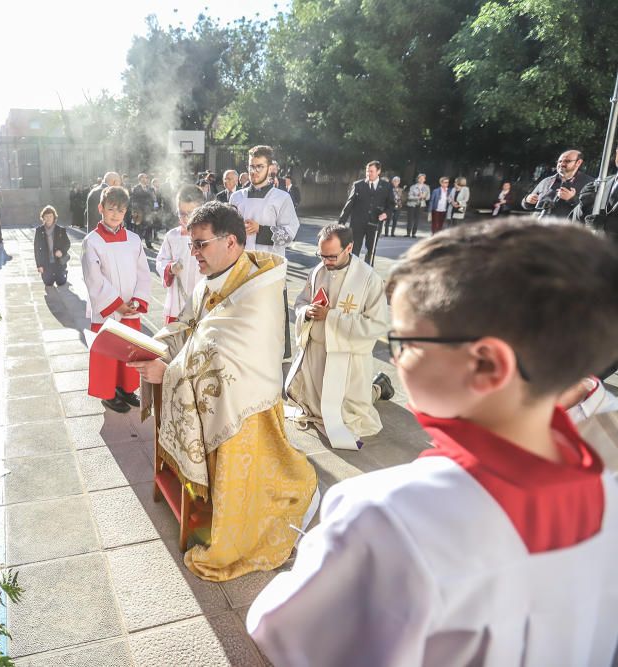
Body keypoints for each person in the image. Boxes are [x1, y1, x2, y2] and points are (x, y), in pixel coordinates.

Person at [248, 220, 618, 666]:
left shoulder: (386, 515)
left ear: (486, 364)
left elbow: (281, 632)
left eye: (406, 342)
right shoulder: (609, 492)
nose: (398, 359)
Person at [130, 201, 318, 581]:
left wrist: (166, 372)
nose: (193, 253)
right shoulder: (213, 277)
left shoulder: (257, 290)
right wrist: (156, 346)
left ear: (230, 241)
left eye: (200, 244)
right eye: (192, 244)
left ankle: (232, 516)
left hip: (244, 406)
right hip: (221, 390)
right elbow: (190, 325)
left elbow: (217, 353)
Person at [284, 224, 392, 450]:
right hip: (317, 353)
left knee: (349, 411)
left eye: (331, 256)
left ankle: (378, 387)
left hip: (347, 356)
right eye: (321, 255)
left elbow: (378, 324)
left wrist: (331, 317)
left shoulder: (368, 279)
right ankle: (375, 387)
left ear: (349, 248)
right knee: (318, 407)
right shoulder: (317, 271)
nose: (325, 261)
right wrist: (306, 311)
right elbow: (301, 302)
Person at [82, 185, 151, 414]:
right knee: (108, 354)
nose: (115, 214)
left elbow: (143, 272)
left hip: (130, 308)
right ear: (101, 208)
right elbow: (94, 278)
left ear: (126, 212)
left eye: (120, 211)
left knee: (128, 351)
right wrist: (117, 305)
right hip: (108, 310)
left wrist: (137, 301)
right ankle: (108, 394)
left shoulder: (133, 240)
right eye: (111, 209)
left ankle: (126, 388)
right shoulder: (92, 241)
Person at [230, 145, 301, 356]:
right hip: (241, 270)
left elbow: (290, 232)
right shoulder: (237, 198)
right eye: (251, 166)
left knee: (270, 328)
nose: (254, 171)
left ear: (270, 168)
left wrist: (260, 230)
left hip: (269, 271)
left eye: (259, 167)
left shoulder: (281, 198)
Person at [155, 185, 206, 323]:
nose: (185, 218)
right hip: (177, 304)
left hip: (203, 303)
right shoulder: (172, 236)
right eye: (181, 213)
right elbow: (161, 260)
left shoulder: (210, 236)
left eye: (191, 213)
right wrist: (170, 268)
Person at [337, 160, 395, 259]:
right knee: (354, 249)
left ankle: (368, 272)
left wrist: (386, 214)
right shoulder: (358, 185)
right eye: (367, 171)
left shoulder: (387, 186)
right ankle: (353, 269)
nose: (368, 174)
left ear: (379, 171)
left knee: (371, 250)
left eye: (371, 171)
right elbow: (349, 204)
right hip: (357, 224)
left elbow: (391, 205)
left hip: (375, 223)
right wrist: (341, 222)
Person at [521, 149, 593, 220]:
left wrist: (572, 199)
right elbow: (527, 206)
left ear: (578, 162)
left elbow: (592, 211)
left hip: (566, 229)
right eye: (560, 161)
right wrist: (527, 200)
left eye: (567, 161)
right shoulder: (546, 181)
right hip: (539, 227)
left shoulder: (589, 183)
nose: (561, 164)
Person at [573, 146, 618, 243]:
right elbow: (574, 220)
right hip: (593, 250)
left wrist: (608, 225)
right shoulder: (602, 183)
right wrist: (582, 207)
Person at [33, 205, 70, 287]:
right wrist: (39, 265)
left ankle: (64, 271)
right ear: (43, 218)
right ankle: (49, 275)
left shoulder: (60, 230)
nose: (49, 218)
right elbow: (36, 249)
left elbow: (67, 243)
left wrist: (62, 251)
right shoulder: (39, 231)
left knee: (61, 282)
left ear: (54, 217)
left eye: (50, 216)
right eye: (46, 216)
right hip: (46, 263)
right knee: (48, 283)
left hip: (58, 262)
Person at [404, 173, 429, 238]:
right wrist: (418, 197)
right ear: (417, 179)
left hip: (421, 205)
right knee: (410, 219)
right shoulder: (413, 187)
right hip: (412, 204)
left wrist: (424, 197)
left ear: (424, 179)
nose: (421, 179)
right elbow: (410, 196)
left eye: (423, 178)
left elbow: (428, 197)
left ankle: (414, 233)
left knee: (417, 219)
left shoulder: (426, 187)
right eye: (420, 178)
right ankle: (408, 233)